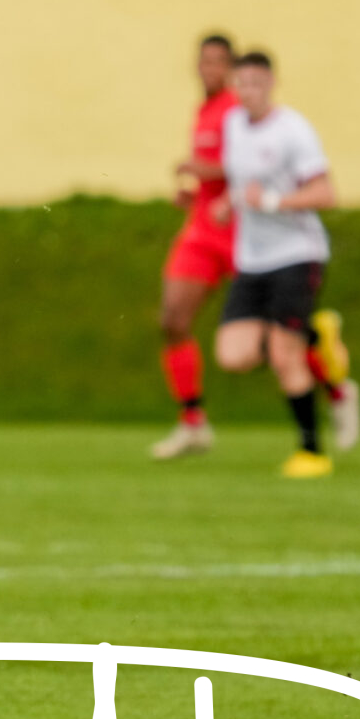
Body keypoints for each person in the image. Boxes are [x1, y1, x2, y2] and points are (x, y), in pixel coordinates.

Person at [207, 51, 360, 477]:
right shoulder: (234, 125)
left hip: (296, 253)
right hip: (251, 258)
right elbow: (243, 181)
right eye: (241, 83)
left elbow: (326, 194)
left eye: (256, 82)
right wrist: (227, 202)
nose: (248, 91)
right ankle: (318, 341)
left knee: (281, 354)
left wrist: (272, 202)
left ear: (271, 83)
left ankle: (312, 452)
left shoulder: (294, 131)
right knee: (233, 355)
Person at [150, 34, 238, 459]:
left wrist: (205, 169)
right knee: (172, 320)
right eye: (205, 60)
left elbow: (254, 165)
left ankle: (332, 385)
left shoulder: (238, 110)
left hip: (241, 228)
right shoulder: (203, 110)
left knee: (277, 334)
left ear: (232, 67)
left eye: (220, 61)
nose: (211, 68)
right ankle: (193, 422)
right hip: (202, 227)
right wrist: (195, 191)